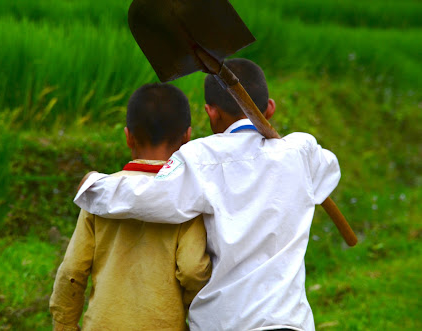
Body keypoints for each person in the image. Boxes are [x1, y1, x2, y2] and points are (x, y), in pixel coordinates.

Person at [75, 58, 341, 331]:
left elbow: (151, 196)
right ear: (270, 108)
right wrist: (288, 150)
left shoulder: (200, 158)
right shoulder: (302, 151)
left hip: (225, 322)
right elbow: (328, 170)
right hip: (289, 322)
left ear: (210, 113)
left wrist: (94, 187)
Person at [50, 83, 212, 331]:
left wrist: (65, 325)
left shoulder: (99, 194)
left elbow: (72, 270)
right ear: (187, 137)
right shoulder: (187, 199)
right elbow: (192, 270)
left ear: (128, 136)